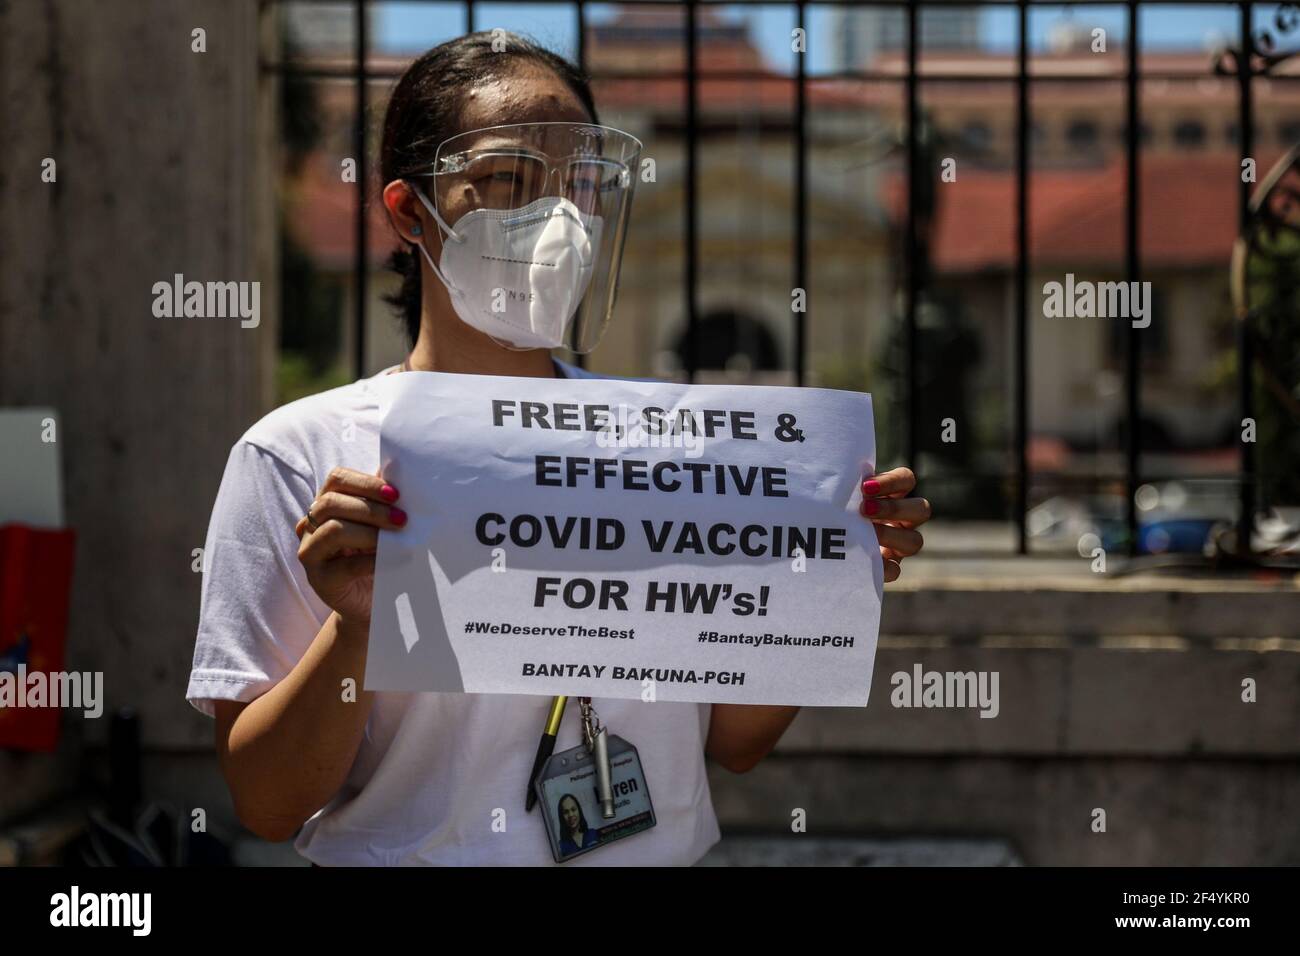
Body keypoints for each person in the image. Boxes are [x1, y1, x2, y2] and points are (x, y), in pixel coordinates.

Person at [186, 31, 932, 866]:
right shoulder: (299, 457)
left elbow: (735, 742)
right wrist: (355, 629)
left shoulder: (677, 452)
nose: (557, 218)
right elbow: (268, 802)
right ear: (408, 211)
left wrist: (828, 575)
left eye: (580, 182)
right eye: (508, 180)